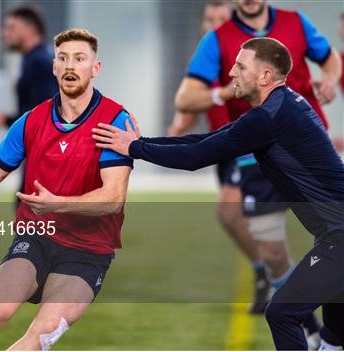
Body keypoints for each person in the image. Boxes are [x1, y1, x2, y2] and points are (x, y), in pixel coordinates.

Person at [93, 37, 344, 351]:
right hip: (334, 235)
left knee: (282, 313)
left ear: (265, 76)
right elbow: (205, 141)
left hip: (340, 237)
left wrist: (134, 148)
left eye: (241, 66)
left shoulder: (267, 118)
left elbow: (194, 158)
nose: (231, 73)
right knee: (333, 337)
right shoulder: (280, 105)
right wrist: (140, 143)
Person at [0, 28, 134, 350]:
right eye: (63, 58)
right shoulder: (31, 121)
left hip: (88, 252)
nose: (71, 66)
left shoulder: (115, 122)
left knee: (41, 334)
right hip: (35, 238)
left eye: (80, 59)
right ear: (54, 67)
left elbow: (112, 199)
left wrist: (58, 204)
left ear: (95, 68)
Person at [172, 0, 342, 318]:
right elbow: (185, 99)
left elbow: (330, 60)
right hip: (254, 153)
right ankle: (283, 292)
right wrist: (228, 89)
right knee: (264, 240)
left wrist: (330, 78)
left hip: (308, 150)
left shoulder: (296, 22)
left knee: (336, 232)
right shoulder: (217, 38)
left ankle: (320, 323)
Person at [0, 6, 58, 128]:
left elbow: (43, 115)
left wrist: (6, 120)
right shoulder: (39, 57)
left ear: (30, 29)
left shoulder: (38, 62)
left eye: (11, 28)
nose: (5, 34)